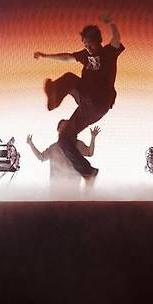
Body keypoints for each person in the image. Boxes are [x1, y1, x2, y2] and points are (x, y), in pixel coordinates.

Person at [33, 13, 124, 184]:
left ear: (98, 41)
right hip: (87, 107)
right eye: (85, 44)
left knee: (70, 79)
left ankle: (54, 96)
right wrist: (45, 55)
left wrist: (111, 22)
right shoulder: (84, 55)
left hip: (99, 100)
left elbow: (117, 39)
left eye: (90, 43)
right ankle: (88, 172)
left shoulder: (109, 53)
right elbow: (67, 56)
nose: (87, 47)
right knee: (64, 140)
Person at [27, 122, 101, 191]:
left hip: (73, 185)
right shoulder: (54, 147)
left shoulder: (78, 144)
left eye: (66, 127)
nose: (64, 129)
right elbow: (41, 157)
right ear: (58, 130)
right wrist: (31, 144)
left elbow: (89, 152)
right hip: (56, 186)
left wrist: (93, 137)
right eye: (62, 127)